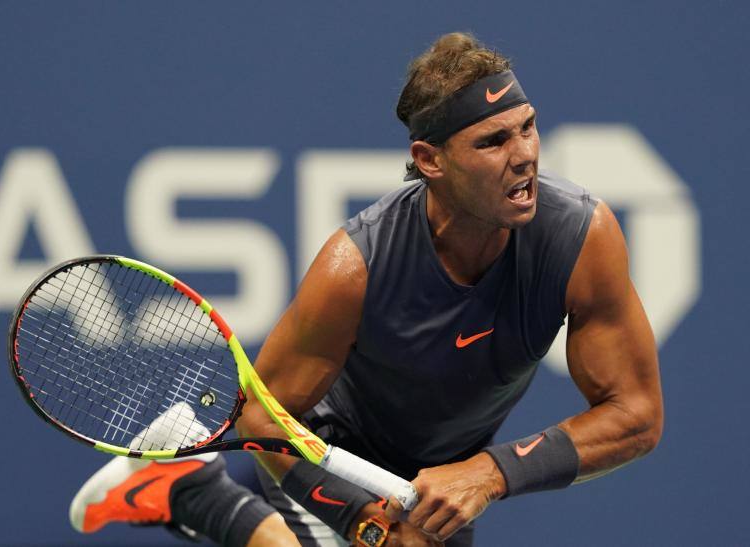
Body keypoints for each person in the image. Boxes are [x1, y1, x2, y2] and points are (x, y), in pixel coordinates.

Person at [72, 31, 663, 546]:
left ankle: (191, 486)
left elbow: (636, 416)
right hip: (330, 451)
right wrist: (362, 521)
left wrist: (488, 473)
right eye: (492, 142)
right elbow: (262, 420)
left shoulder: (582, 237)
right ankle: (200, 495)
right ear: (429, 161)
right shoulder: (354, 267)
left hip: (440, 477)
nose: (525, 156)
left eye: (527, 128)